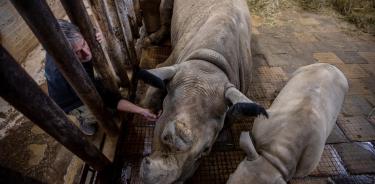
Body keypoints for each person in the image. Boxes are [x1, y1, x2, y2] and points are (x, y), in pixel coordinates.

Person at [45, 19, 158, 135]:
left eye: (84, 44)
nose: (86, 54)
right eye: (76, 52)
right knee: (100, 110)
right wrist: (141, 111)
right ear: (65, 55)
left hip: (81, 80)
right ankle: (85, 120)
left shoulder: (60, 40)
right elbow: (109, 99)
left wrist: (94, 33)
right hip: (71, 102)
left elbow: (79, 25)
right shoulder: (71, 77)